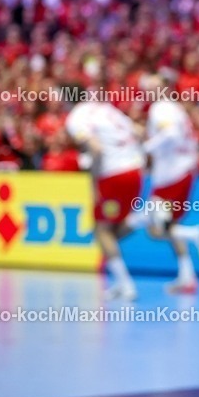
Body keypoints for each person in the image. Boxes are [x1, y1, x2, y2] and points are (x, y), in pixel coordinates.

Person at [64, 99, 144, 301]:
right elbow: (139, 131)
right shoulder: (107, 109)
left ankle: (126, 286)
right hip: (135, 170)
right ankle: (119, 282)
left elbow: (96, 149)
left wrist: (93, 183)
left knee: (101, 230)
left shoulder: (76, 117)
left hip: (113, 174)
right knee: (112, 231)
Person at [141, 99, 199, 293]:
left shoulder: (161, 108)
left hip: (171, 176)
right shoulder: (177, 110)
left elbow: (170, 134)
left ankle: (195, 233)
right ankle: (187, 278)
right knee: (169, 227)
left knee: (153, 228)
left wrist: (146, 148)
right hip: (181, 170)